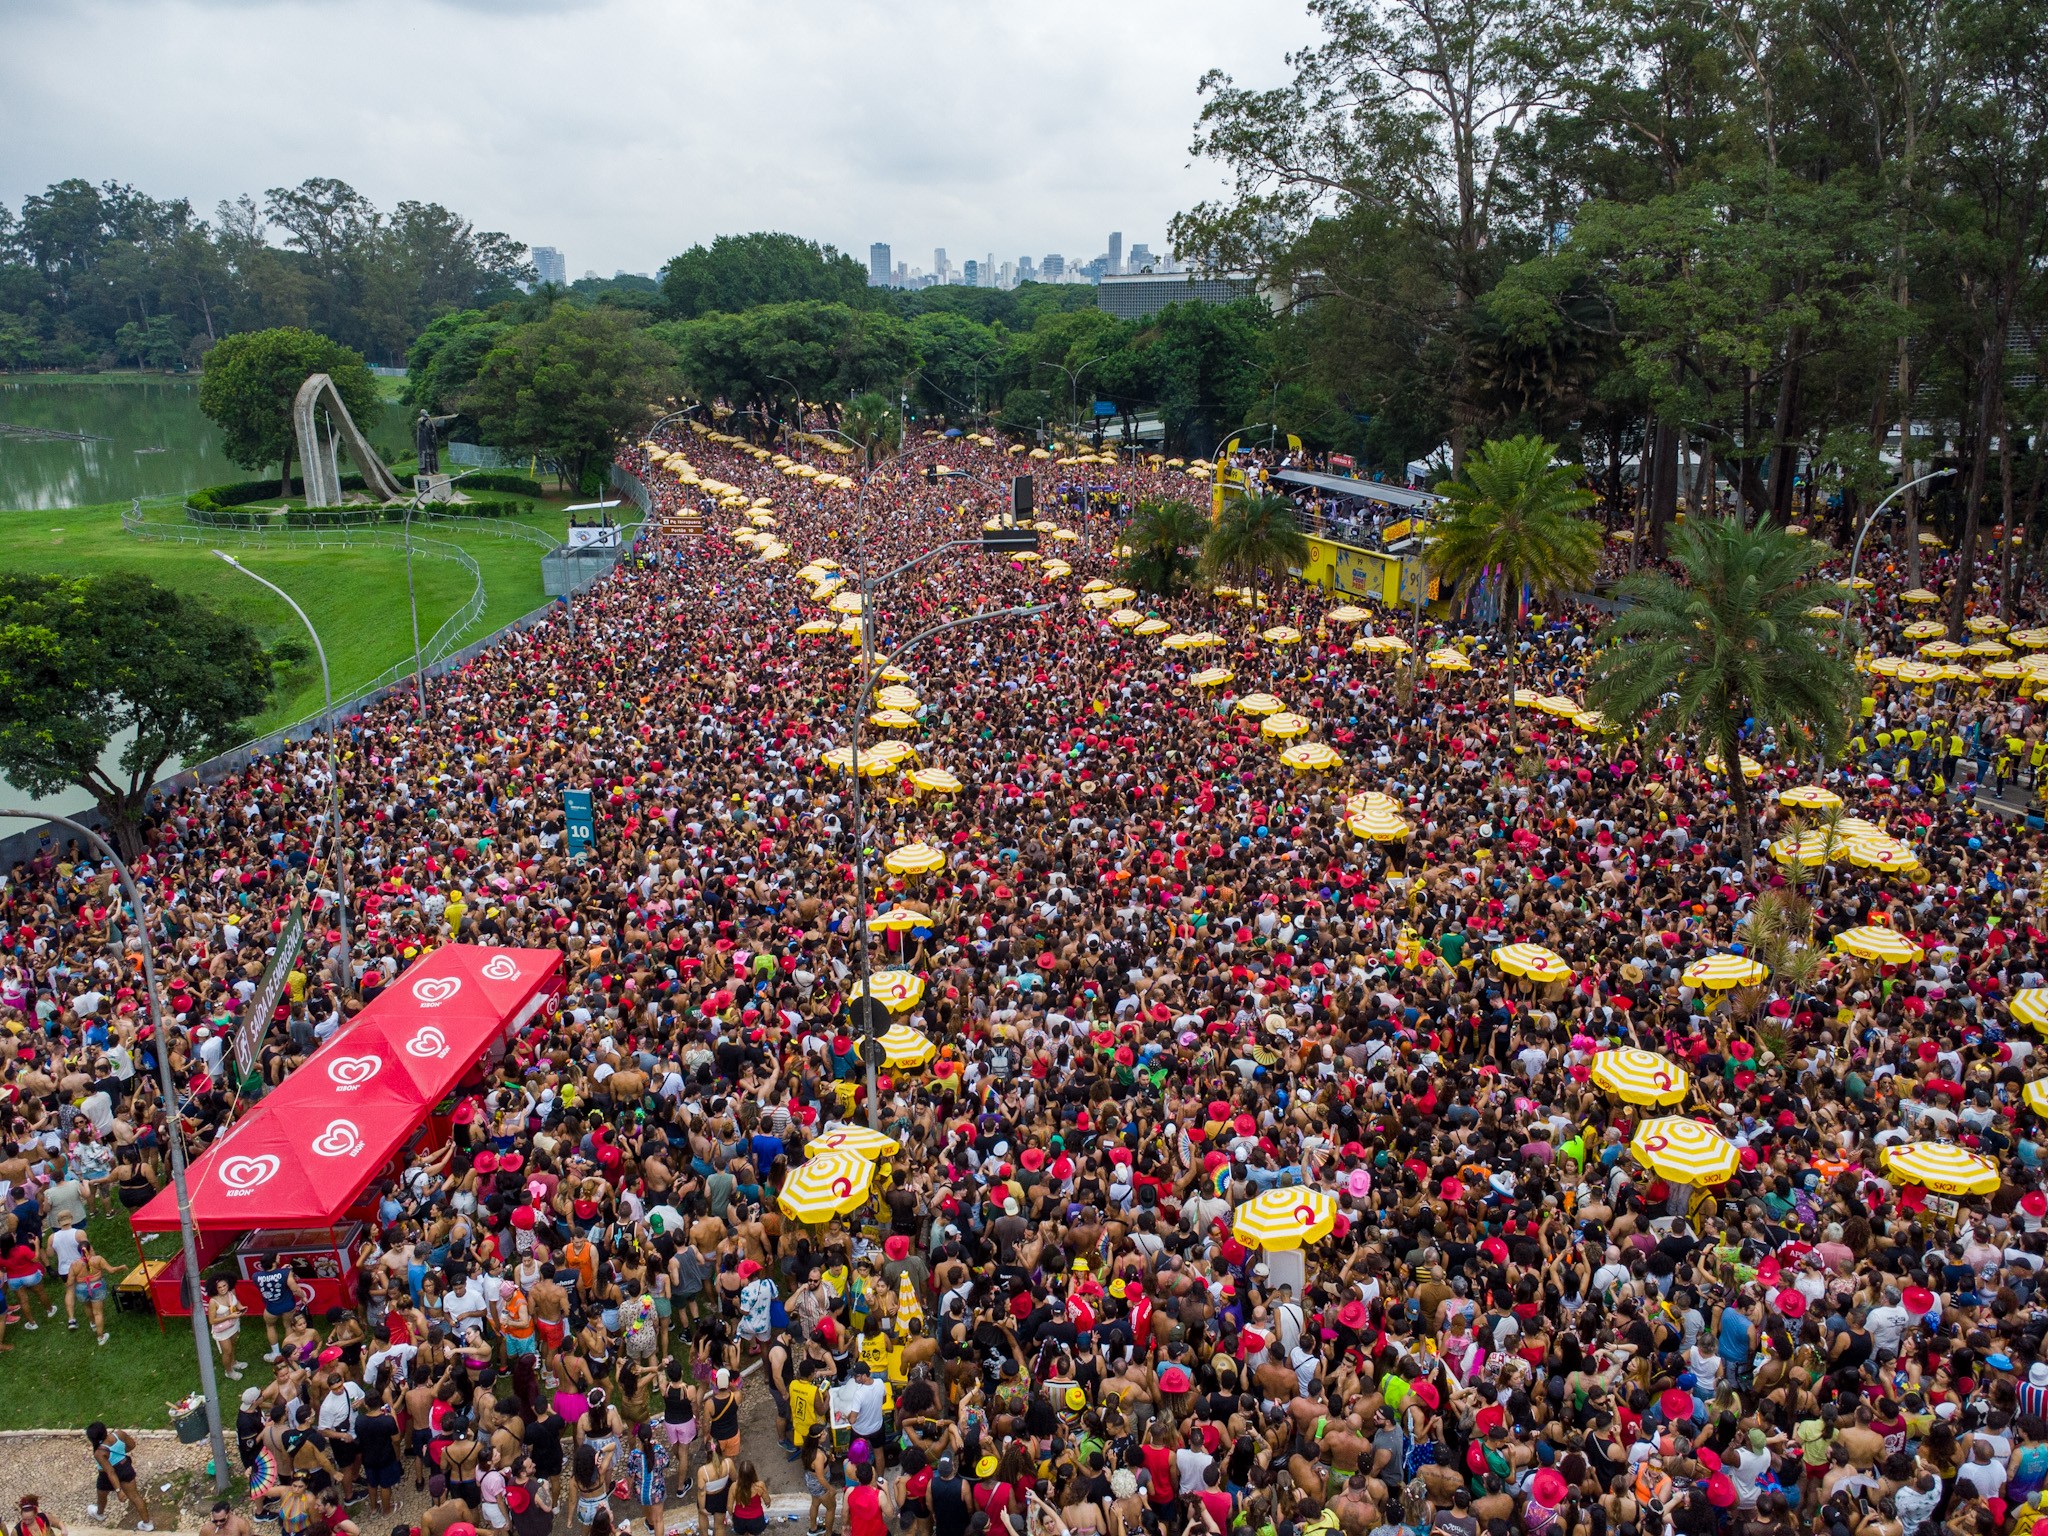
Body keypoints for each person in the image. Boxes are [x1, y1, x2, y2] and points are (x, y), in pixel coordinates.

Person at [86, 1422, 153, 1531]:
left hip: (106, 1475)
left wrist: (118, 1491)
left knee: (102, 1493)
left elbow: (110, 1472)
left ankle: (99, 1513)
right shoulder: (120, 1434)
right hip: (125, 1467)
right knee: (135, 1496)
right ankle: (147, 1524)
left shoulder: (99, 1453)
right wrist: (119, 1453)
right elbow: (132, 1445)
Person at [207, 1275, 247, 1381]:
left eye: (224, 1285)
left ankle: (233, 1363)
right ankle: (228, 1371)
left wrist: (241, 1308)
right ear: (214, 1288)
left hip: (233, 1325)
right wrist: (229, 1316)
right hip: (222, 1331)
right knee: (227, 1351)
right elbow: (212, 1321)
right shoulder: (213, 1302)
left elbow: (236, 1302)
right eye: (219, 1287)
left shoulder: (230, 1293)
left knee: (233, 1345)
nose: (223, 1289)